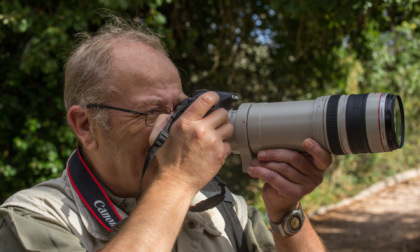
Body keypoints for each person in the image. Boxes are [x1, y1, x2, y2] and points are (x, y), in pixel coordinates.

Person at [0, 18, 332, 252]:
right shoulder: (32, 219)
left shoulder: (224, 211)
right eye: (153, 111)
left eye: (179, 107)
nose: (179, 126)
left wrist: (285, 213)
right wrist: (177, 178)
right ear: (86, 125)